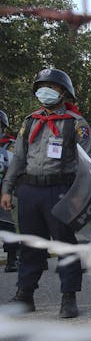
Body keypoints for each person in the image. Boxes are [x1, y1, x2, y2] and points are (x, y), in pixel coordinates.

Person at [2, 68, 91, 317]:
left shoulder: (76, 123)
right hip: (29, 190)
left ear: (63, 92)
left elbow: (84, 164)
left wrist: (78, 197)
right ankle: (25, 295)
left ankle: (68, 297)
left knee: (65, 245)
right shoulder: (30, 121)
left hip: (60, 190)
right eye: (42, 86)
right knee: (30, 245)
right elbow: (18, 158)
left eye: (52, 87)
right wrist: (7, 189)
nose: (46, 91)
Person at [0, 110, 18, 272]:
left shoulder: (10, 144)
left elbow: (15, 167)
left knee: (8, 225)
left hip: (5, 191)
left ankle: (12, 260)